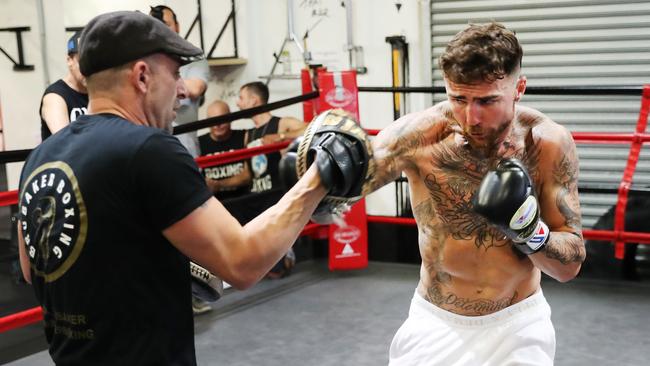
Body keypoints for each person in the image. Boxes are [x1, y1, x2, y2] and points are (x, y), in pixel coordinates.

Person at [16, 11, 327, 365]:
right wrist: (319, 178)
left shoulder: (40, 156)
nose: (182, 90)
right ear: (143, 76)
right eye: (176, 74)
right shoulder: (148, 149)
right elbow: (243, 264)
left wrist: (153, 265)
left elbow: (32, 268)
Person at [285, 22, 587, 365]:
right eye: (459, 98)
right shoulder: (419, 137)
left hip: (518, 325)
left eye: (487, 101)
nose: (471, 117)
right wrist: (316, 177)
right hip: (435, 321)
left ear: (519, 88)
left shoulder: (547, 144)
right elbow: (342, 190)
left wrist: (529, 231)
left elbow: (569, 266)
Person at [150, 5, 209, 158]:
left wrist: (156, 80)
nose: (162, 30)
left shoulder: (192, 56)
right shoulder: (143, 60)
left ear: (177, 26)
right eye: (156, 25)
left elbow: (196, 88)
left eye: (166, 24)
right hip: (151, 145)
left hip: (184, 145)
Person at [237, 81, 306, 195]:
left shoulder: (282, 124)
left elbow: (312, 128)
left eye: (241, 98)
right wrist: (218, 184)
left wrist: (281, 136)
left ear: (254, 100)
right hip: (256, 198)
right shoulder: (248, 134)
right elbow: (247, 174)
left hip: (278, 196)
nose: (238, 103)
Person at [39, 30, 88, 141]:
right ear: (69, 60)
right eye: (83, 61)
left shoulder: (101, 91)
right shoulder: (55, 97)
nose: (89, 68)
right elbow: (65, 141)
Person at [199, 100, 251, 202]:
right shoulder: (198, 143)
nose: (217, 125)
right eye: (212, 120)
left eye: (222, 119)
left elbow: (247, 175)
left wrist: (219, 185)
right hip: (214, 206)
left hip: (244, 201)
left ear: (230, 118)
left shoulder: (244, 136)